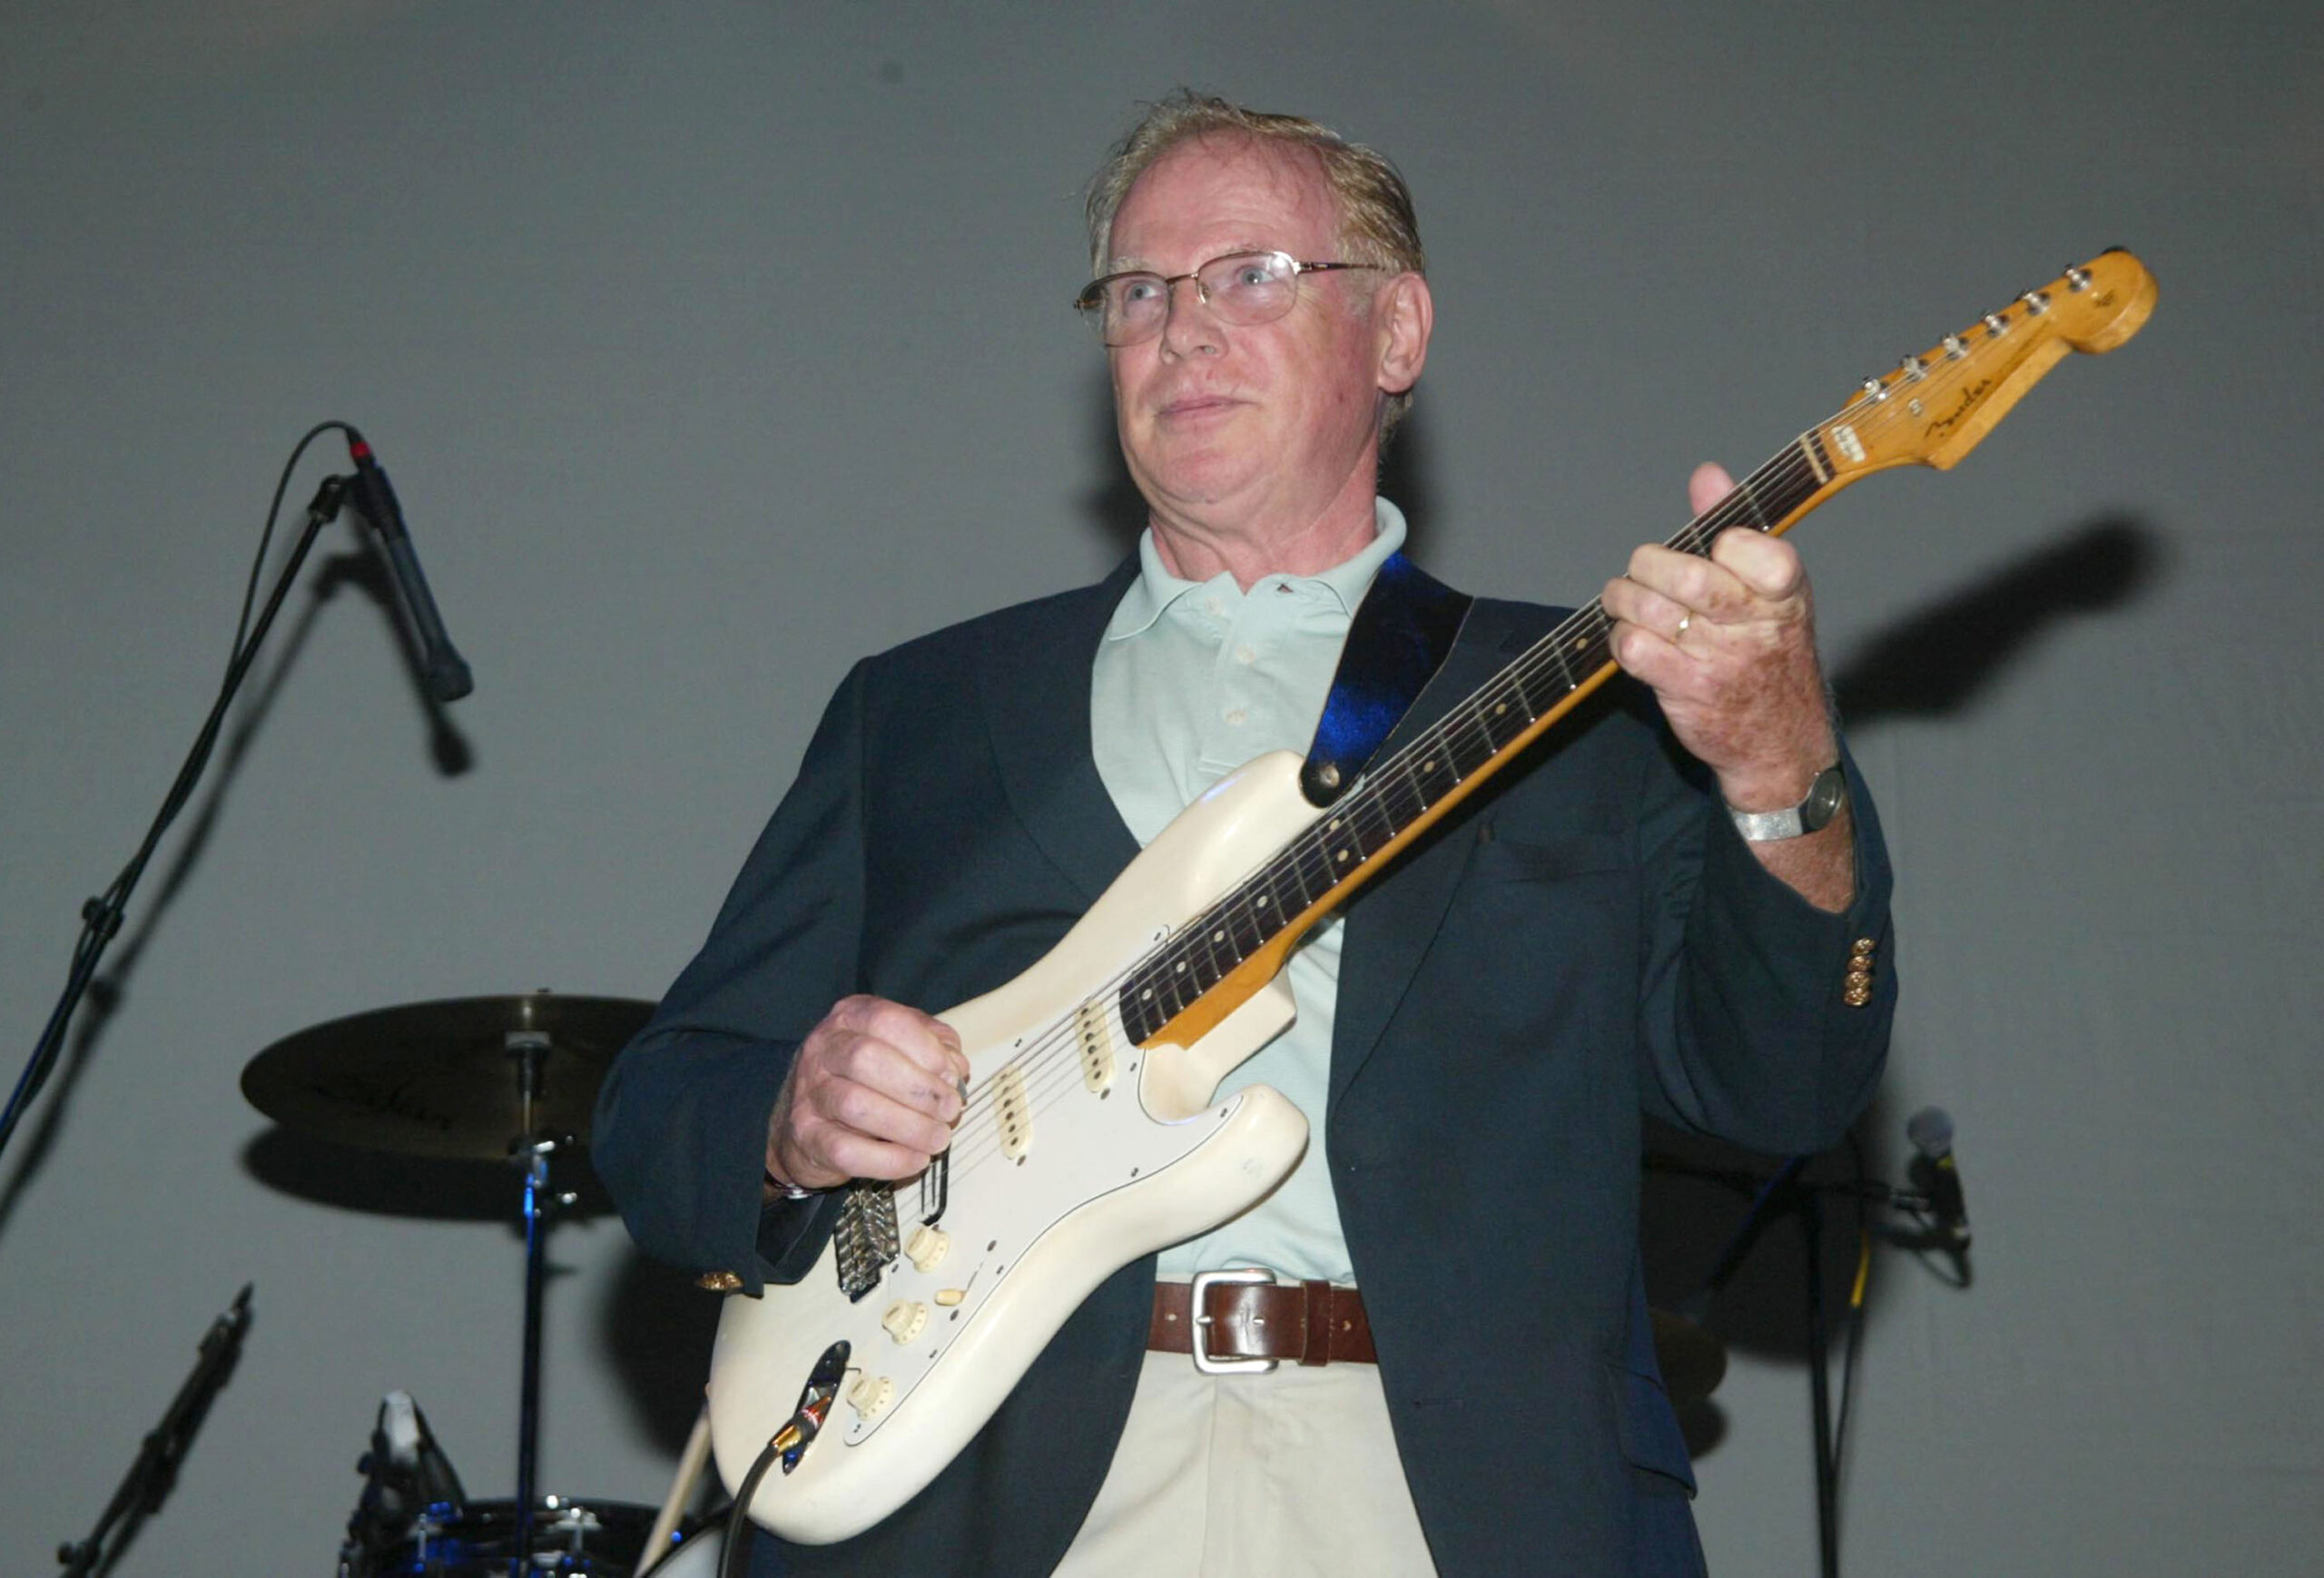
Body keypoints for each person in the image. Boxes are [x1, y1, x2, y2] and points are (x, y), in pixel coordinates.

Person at [595, 93, 1895, 1577]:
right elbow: (657, 1108)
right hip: (987, 1489)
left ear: (1397, 336)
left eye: (1251, 276)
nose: (1182, 331)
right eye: (1139, 293)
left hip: (1443, 1496)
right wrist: (788, 1120)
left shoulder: (1595, 698)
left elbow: (1787, 1081)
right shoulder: (929, 710)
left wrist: (1780, 762)